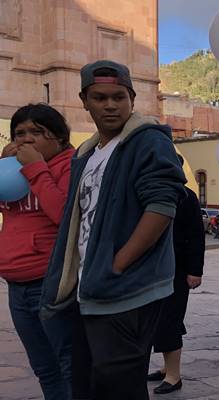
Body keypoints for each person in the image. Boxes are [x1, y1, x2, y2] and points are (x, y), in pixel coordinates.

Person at [39, 60, 187, 400]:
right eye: (100, 97)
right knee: (89, 383)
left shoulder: (148, 141)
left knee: (120, 385)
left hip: (126, 288)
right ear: (84, 100)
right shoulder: (88, 153)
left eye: (119, 97)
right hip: (88, 287)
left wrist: (117, 264)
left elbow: (162, 207)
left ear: (132, 98)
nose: (110, 105)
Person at [0, 104, 75, 400]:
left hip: (51, 282)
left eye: (37, 132)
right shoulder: (12, 169)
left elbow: (63, 214)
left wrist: (35, 169)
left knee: (68, 363)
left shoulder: (69, 164)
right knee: (43, 366)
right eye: (20, 133)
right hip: (16, 286)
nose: (26, 140)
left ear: (58, 137)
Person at [147, 182, 205, 394]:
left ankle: (174, 376)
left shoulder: (186, 196)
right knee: (160, 320)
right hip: (155, 268)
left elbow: (197, 235)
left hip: (176, 269)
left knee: (169, 321)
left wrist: (195, 270)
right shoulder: (157, 190)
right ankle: (166, 368)